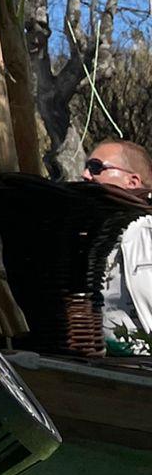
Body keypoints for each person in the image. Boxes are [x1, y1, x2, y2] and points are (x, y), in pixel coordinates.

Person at [84, 138, 152, 342]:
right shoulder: (80, 238)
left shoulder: (147, 233)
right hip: (90, 356)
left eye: (96, 167)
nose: (85, 175)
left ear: (132, 182)